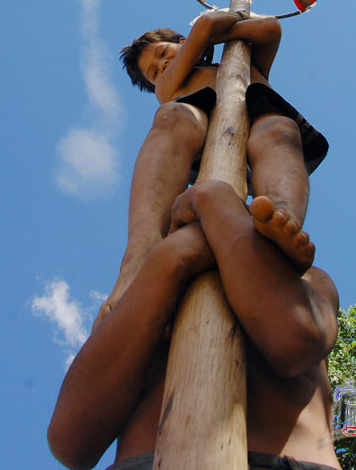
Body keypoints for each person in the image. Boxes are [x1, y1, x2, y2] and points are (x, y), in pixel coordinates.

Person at [47, 180, 341, 470]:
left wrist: (212, 198)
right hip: (148, 462)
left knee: (279, 130)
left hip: (293, 462)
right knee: (174, 130)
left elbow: (292, 338)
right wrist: (171, 256)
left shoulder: (311, 281)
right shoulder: (135, 295)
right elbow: (72, 441)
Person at [97, 12, 328, 319]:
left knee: (281, 130)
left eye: (163, 54)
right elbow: (200, 33)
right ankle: (140, 253)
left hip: (255, 118)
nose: (162, 66)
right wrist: (204, 32)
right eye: (154, 71)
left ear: (182, 41)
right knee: (171, 118)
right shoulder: (171, 89)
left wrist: (210, 35)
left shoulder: (242, 57)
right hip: (197, 137)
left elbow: (270, 29)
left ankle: (280, 218)